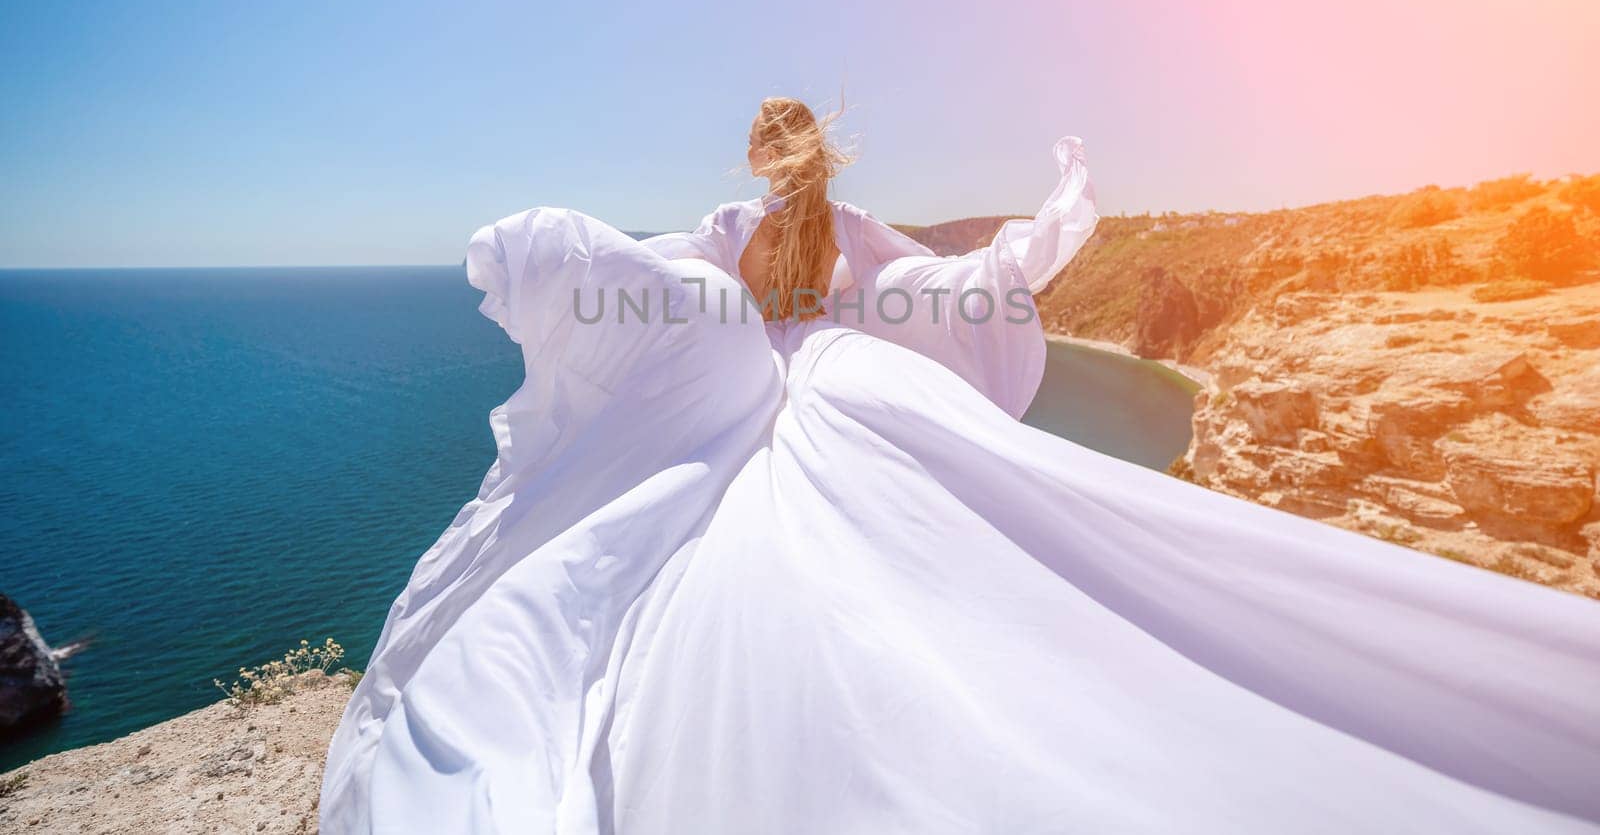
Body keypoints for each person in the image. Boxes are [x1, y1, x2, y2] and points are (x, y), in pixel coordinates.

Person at [321, 98, 1600, 834]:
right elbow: (927, 282)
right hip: (837, 373)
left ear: (757, 157)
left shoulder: (731, 226)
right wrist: (1019, 253)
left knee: (736, 536)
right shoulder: (844, 223)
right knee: (949, 504)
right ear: (817, 152)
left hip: (775, 378)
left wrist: (600, 282)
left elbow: (686, 282)